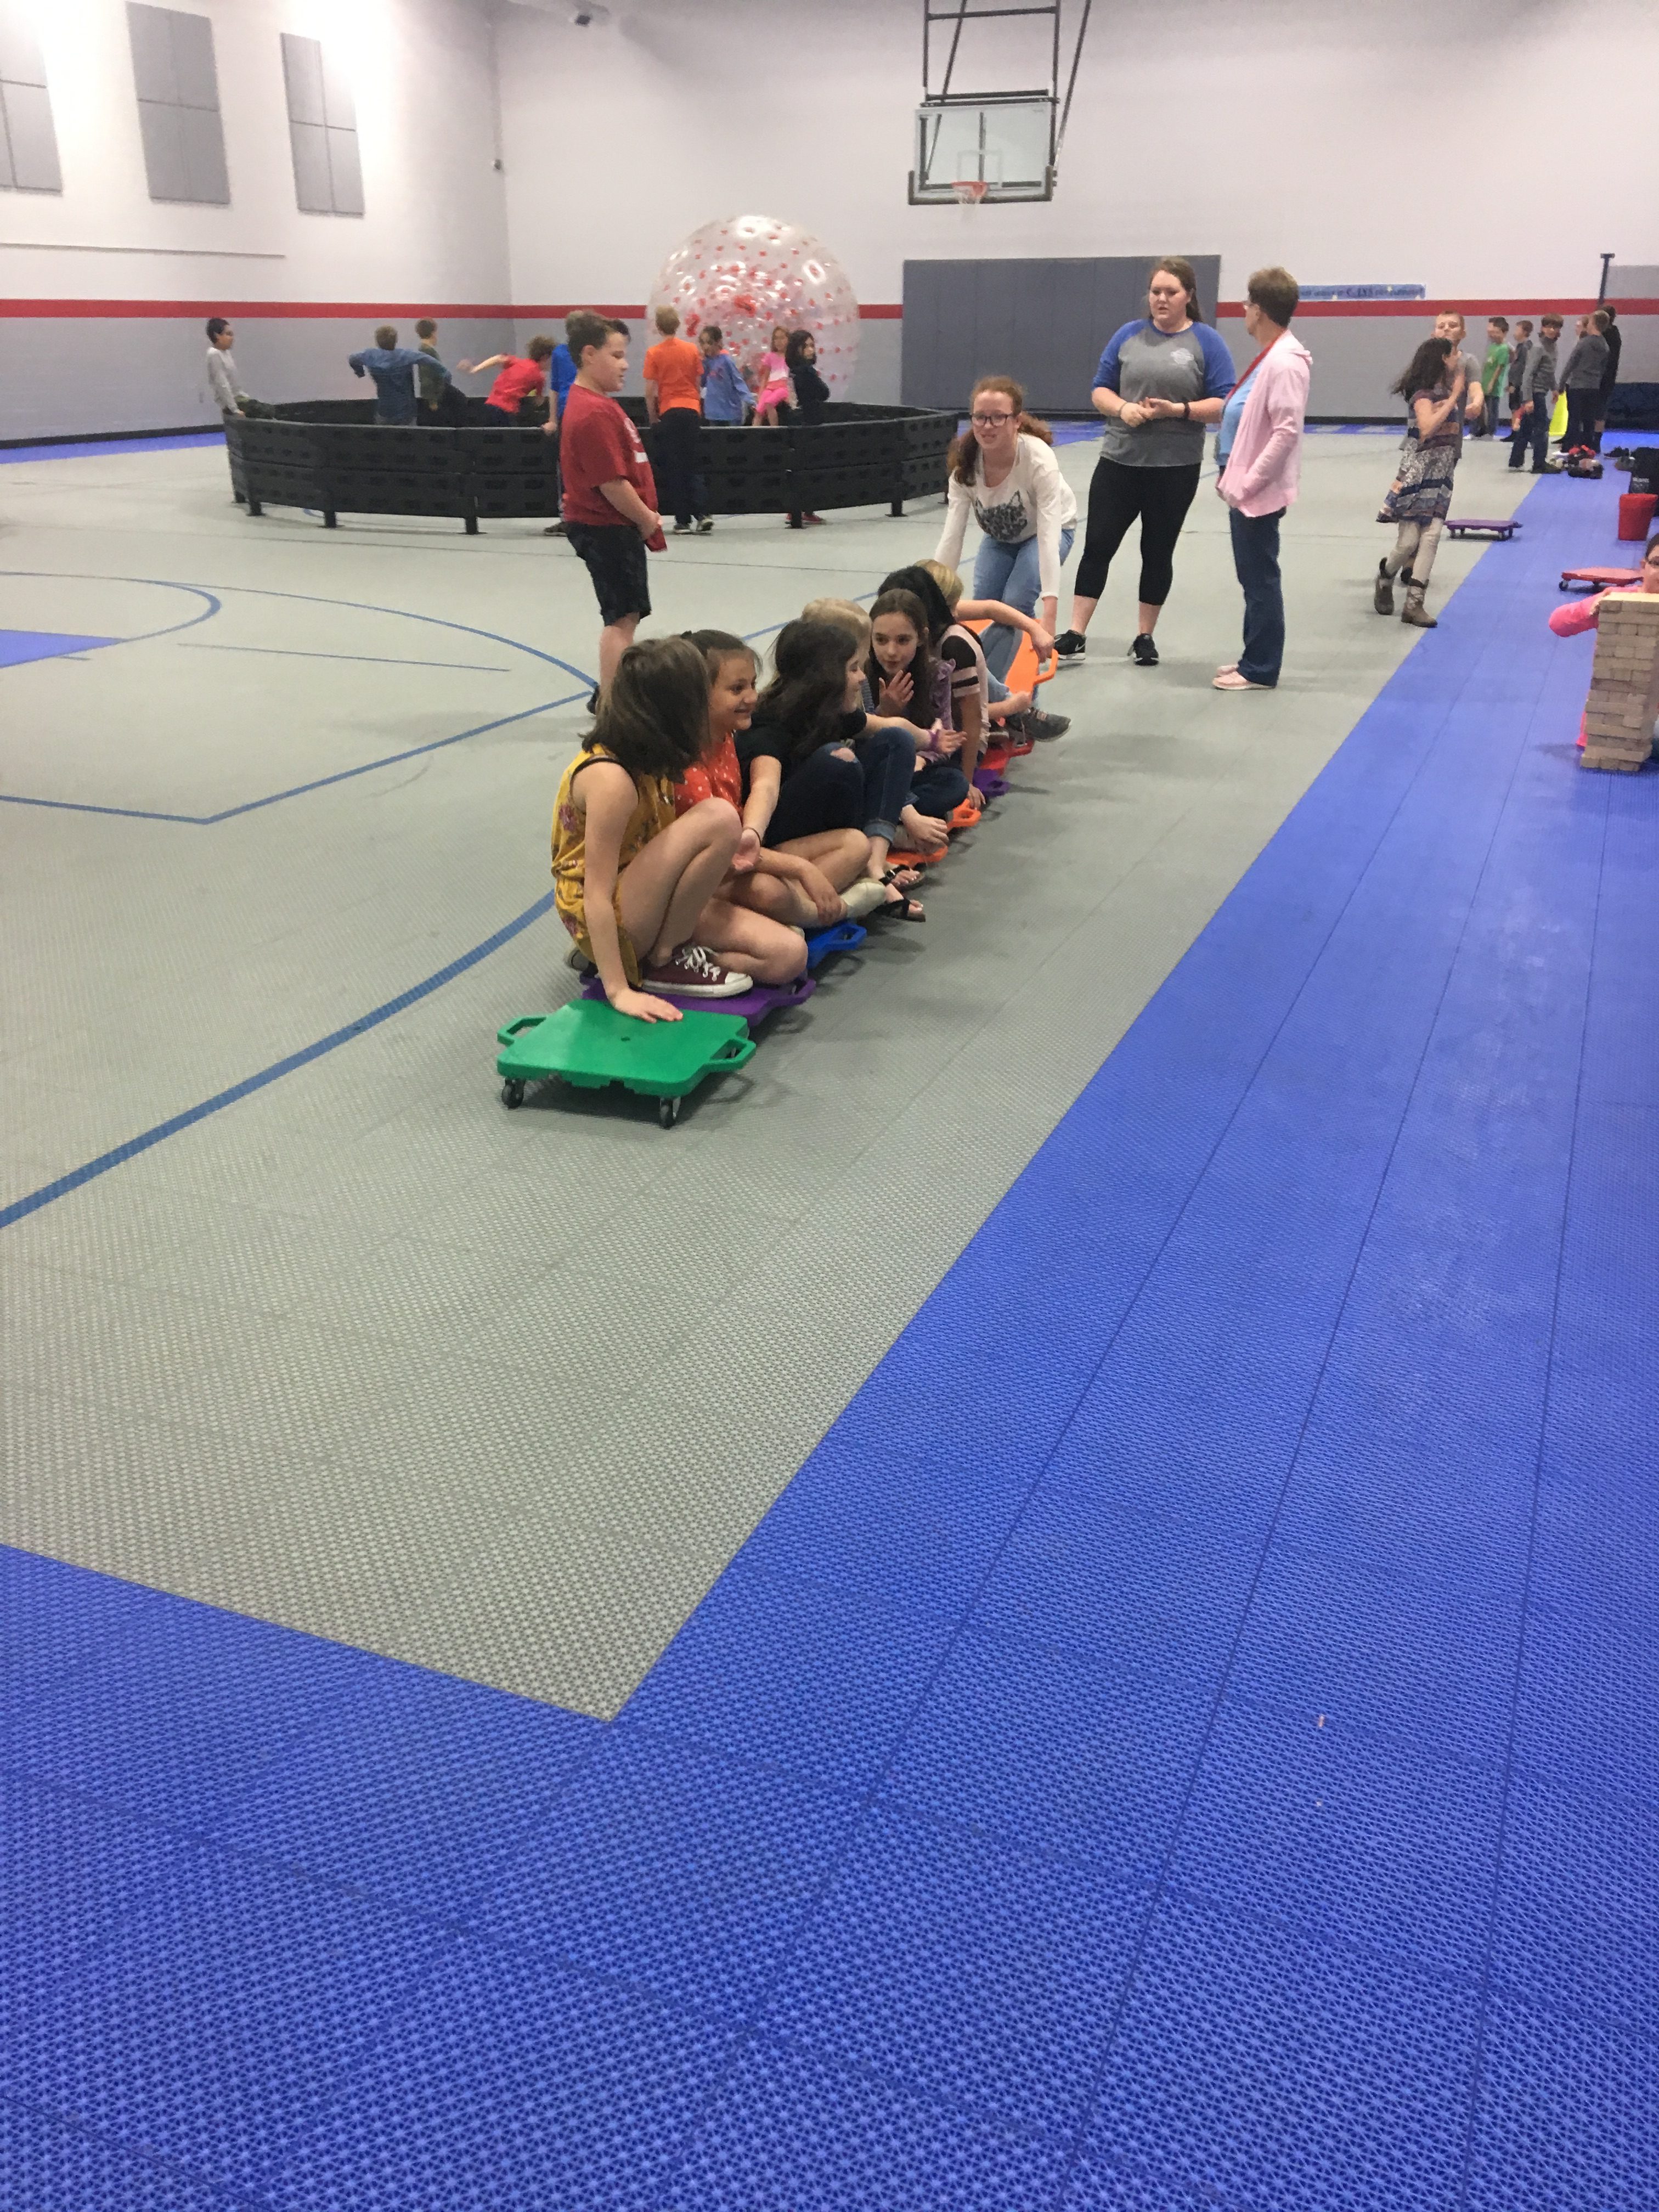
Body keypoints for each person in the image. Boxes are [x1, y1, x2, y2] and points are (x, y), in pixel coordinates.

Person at [550, 636, 754, 1013]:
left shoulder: (650, 757)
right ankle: (662, 959)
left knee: (782, 957)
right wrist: (618, 990)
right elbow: (595, 894)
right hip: (609, 912)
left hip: (637, 891)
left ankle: (658, 949)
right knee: (720, 818)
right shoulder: (613, 782)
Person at [1055, 258, 1235, 669]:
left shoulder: (1207, 342)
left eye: (1171, 292)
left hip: (1175, 468)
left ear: (1189, 296)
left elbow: (1224, 402)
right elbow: (1100, 389)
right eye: (1156, 292)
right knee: (1098, 545)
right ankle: (1077, 633)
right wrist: (1123, 409)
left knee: (1157, 551)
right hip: (1120, 462)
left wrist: (1179, 410)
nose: (1162, 299)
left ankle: (1144, 636)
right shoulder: (1128, 336)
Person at [680, 630, 887, 927]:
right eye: (737, 689)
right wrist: (801, 868)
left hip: (743, 855)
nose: (753, 697)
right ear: (698, 696)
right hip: (711, 872)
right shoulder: (689, 766)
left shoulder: (725, 740)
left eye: (752, 685)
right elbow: (720, 857)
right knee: (769, 891)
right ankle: (822, 912)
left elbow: (763, 795)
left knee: (856, 844)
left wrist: (753, 835)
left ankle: (790, 912)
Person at [740, 617, 941, 914]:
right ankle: (862, 868)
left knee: (896, 740)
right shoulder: (770, 723)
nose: (862, 678)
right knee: (838, 760)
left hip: (829, 824)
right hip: (780, 835)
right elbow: (765, 786)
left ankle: (874, 865)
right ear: (826, 678)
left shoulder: (829, 711)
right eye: (853, 669)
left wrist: (933, 739)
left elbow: (893, 727)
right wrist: (752, 834)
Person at [934, 375, 1077, 682]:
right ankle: (984, 691)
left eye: (998, 417)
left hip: (1049, 532)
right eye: (980, 417)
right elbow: (952, 537)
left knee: (1015, 606)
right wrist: (934, 595)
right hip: (1000, 537)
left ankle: (1017, 696)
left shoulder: (1038, 460)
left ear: (1016, 421)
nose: (988, 426)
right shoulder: (965, 467)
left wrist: (1048, 618)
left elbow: (1049, 537)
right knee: (983, 605)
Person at [1212, 266, 1312, 692]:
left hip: (1257, 491)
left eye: (1248, 304)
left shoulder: (1285, 363)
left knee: (1260, 579)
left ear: (1261, 310)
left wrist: (1247, 483)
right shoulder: (1271, 356)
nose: (1244, 311)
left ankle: (1261, 667)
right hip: (1245, 487)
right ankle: (1252, 655)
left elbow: (1285, 433)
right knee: (1252, 578)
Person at [558, 309, 664, 702]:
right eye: (616, 356)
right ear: (589, 355)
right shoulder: (592, 412)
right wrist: (646, 518)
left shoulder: (598, 405)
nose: (625, 365)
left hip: (610, 526)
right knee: (621, 619)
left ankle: (610, 694)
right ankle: (612, 704)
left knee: (626, 614)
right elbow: (611, 483)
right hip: (605, 526)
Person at [917, 558, 1071, 742]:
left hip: (967, 697)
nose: (957, 613)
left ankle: (1003, 711)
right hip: (951, 715)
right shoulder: (922, 649)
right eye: (952, 607)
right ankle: (1017, 715)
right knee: (957, 645)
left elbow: (990, 608)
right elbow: (953, 713)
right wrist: (1009, 707)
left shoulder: (931, 613)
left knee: (1009, 626)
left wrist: (1035, 630)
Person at [1374, 336, 1464, 630]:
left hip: (1441, 473)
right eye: (1453, 354)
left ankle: (1414, 604)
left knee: (1432, 536)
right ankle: (1385, 576)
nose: (1457, 358)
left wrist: (1465, 400)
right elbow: (1426, 428)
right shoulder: (1422, 395)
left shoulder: (1445, 391)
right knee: (1409, 542)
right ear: (1442, 359)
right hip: (1418, 474)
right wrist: (1454, 397)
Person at [867, 589, 973, 827]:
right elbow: (857, 742)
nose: (891, 651)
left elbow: (945, 737)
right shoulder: (862, 676)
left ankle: (894, 813)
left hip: (914, 771)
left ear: (922, 638)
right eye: (881, 640)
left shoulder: (936, 674)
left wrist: (922, 759)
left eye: (903, 640)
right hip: (875, 771)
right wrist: (884, 714)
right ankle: (900, 817)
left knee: (955, 783)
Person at [1546, 532, 1659, 754]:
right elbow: (1557, 624)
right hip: (1611, 725)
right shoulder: (1618, 600)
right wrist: (1593, 607)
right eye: (1657, 564)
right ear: (1643, 566)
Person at [642, 307, 712, 535]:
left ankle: (683, 521)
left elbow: (650, 391)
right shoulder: (691, 350)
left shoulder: (654, 353)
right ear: (677, 325)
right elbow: (698, 382)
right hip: (691, 409)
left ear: (658, 327)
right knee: (693, 464)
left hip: (670, 411)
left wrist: (653, 418)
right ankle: (703, 514)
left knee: (675, 466)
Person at [348, 325, 450, 425]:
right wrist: (445, 381)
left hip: (385, 410)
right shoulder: (405, 355)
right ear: (396, 340)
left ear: (377, 341)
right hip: (407, 412)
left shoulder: (370, 355)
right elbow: (433, 363)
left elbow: (353, 358)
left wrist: (360, 372)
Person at [1509, 313, 1562, 474]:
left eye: (1555, 327)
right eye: (1548, 326)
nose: (1551, 330)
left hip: (1542, 391)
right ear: (1542, 328)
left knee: (1526, 427)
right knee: (1542, 428)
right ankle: (1539, 464)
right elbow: (1528, 374)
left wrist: (1554, 388)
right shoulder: (1538, 348)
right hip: (1535, 393)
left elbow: (1549, 371)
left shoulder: (1553, 347)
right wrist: (1528, 399)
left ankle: (1516, 460)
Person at [460, 337, 555, 426]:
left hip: (490, 406)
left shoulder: (518, 362)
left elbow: (498, 358)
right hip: (507, 411)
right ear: (545, 357)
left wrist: (475, 369)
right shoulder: (540, 377)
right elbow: (538, 401)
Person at [1560, 311, 1611, 456]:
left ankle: (1570, 448)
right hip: (1593, 386)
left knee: (1574, 419)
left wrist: (1562, 383)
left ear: (1593, 323)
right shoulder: (1605, 345)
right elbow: (1603, 367)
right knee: (1589, 420)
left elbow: (1571, 364)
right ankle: (1587, 447)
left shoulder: (1584, 343)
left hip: (1578, 385)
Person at [204, 318, 273, 418]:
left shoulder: (226, 353)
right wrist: (234, 409)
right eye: (228, 334)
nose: (232, 338)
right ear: (217, 336)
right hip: (235, 402)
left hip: (240, 398)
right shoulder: (214, 354)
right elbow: (222, 385)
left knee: (270, 411)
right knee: (267, 412)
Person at [1433, 311, 1485, 432]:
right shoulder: (1426, 360)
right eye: (1441, 327)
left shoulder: (1468, 360)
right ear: (1434, 334)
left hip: (1453, 430)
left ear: (1463, 333)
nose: (1446, 329)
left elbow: (1475, 387)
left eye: (1453, 326)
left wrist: (1476, 403)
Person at [699, 326, 751, 425]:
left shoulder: (726, 361)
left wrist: (750, 400)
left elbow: (738, 382)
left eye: (709, 343)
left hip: (731, 412)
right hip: (713, 413)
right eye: (703, 343)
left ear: (718, 342)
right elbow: (702, 382)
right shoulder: (706, 363)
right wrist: (702, 364)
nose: (706, 347)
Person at [1474, 315, 1510, 438]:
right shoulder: (1492, 346)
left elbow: (1500, 367)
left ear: (1504, 333)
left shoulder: (1504, 348)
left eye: (1497, 332)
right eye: (1493, 332)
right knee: (1481, 407)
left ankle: (1491, 431)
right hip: (1485, 380)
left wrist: (1492, 383)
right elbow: (1487, 364)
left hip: (1494, 384)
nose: (1494, 335)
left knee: (1492, 409)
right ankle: (1480, 429)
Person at [1595, 303, 1622, 453]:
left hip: (1598, 376)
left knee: (1593, 409)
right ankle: (1597, 441)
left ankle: (1590, 440)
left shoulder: (1602, 335)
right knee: (1601, 409)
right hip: (1610, 377)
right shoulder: (1616, 333)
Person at [754, 325, 791, 425]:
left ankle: (774, 430)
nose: (779, 342)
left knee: (769, 403)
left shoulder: (791, 357)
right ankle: (754, 431)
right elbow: (765, 377)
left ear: (788, 339)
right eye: (776, 339)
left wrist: (791, 395)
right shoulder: (770, 356)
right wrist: (761, 393)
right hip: (770, 387)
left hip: (783, 387)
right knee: (759, 410)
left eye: (782, 338)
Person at [1505, 320, 1534, 442]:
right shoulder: (1520, 347)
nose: (1515, 333)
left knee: (1517, 408)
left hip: (1519, 384)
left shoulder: (1526, 348)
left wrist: (1515, 384)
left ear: (1525, 332)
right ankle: (1515, 431)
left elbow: (1522, 368)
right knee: (1514, 407)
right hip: (1515, 382)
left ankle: (1518, 432)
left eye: (1517, 330)